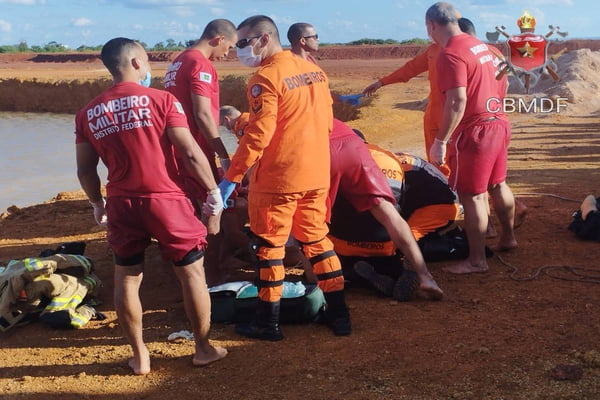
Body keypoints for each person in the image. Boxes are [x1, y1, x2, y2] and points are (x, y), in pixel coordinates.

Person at [75, 37, 227, 374]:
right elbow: (189, 152)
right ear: (134, 62)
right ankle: (203, 349)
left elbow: (86, 169)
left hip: (122, 203)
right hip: (166, 200)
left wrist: (97, 203)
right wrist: (213, 191)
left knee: (127, 279)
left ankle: (140, 357)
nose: (149, 68)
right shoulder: (162, 100)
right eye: (146, 61)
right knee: (191, 274)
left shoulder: (87, 113)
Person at [219, 15, 350, 340]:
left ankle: (268, 323)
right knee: (318, 243)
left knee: (269, 248)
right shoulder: (314, 70)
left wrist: (231, 178)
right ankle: (340, 316)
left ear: (264, 39)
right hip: (316, 173)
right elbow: (327, 123)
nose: (240, 51)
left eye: (243, 43)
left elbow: (259, 136)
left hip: (279, 180)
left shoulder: (265, 78)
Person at [426, 2, 517, 274]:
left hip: (476, 132)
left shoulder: (450, 54)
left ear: (431, 26)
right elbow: (507, 82)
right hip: (498, 122)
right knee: (498, 184)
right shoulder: (490, 49)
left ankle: (477, 260)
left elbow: (456, 101)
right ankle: (508, 237)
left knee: (472, 195)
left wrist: (441, 140)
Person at [327, 119, 443, 300]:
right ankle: (423, 276)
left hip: (347, 239)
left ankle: (341, 278)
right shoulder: (383, 155)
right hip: (388, 235)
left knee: (317, 231)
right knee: (390, 218)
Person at [164, 19, 237, 208]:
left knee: (190, 201)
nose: (227, 54)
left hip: (178, 145)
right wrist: (223, 155)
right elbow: (202, 114)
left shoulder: (179, 61)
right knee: (211, 204)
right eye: (229, 47)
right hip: (197, 146)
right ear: (219, 39)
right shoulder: (200, 64)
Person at [287, 22, 364, 106]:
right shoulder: (288, 64)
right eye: (315, 37)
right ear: (303, 41)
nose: (318, 40)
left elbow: (320, 90)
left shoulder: (311, 60)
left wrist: (342, 99)